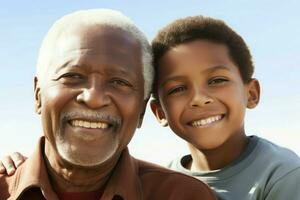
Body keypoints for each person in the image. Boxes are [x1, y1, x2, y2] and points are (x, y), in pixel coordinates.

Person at [0, 10, 216, 200]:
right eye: (72, 75)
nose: (94, 98)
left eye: (119, 82)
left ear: (141, 110)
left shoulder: (182, 195)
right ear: (38, 94)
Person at [148, 16, 300, 199]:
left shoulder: (283, 175)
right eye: (178, 89)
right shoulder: (160, 186)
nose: (199, 98)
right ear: (160, 112)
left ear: (251, 94)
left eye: (217, 80)